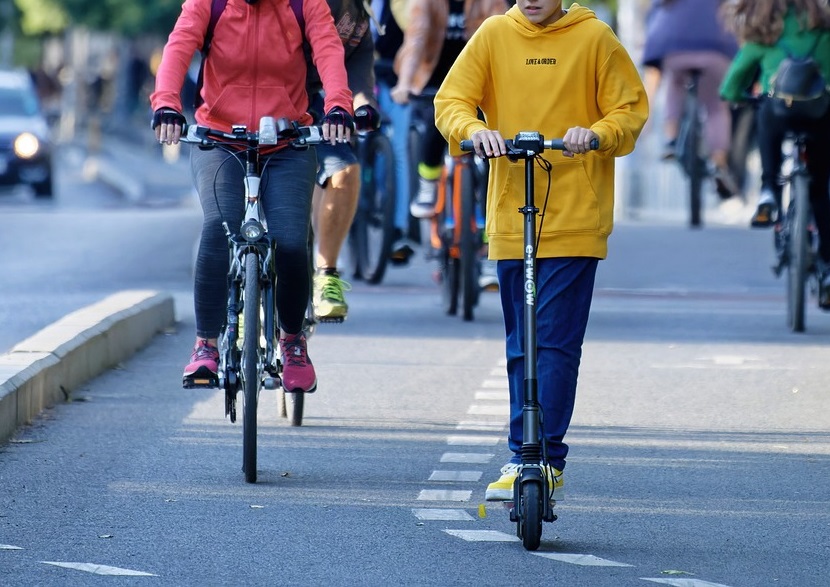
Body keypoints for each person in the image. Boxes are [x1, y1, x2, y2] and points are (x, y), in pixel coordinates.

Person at [434, 0, 648, 501]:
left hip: (576, 215)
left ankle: (540, 458)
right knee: (521, 340)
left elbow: (630, 109)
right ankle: (525, 454)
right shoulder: (493, 35)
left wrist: (595, 134)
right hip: (513, 212)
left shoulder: (595, 38)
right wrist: (474, 131)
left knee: (553, 340)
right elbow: (452, 102)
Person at [150, 0, 354, 392]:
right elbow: (178, 48)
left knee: (291, 240)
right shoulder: (208, 4)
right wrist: (167, 104)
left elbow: (329, 50)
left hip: (287, 141)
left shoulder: (304, 3)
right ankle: (205, 345)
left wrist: (338, 107)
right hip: (220, 140)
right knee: (217, 227)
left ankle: (293, 341)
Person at [719, 0, 830, 308]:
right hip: (821, 115)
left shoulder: (764, 35)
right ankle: (828, 269)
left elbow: (730, 87)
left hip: (779, 114)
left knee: (765, 109)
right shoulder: (825, 32)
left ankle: (768, 190)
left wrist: (741, 97)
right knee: (821, 190)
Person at [390, 0, 509, 219]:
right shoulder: (427, 2)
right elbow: (416, 40)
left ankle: (491, 209)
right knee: (436, 121)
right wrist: (405, 83)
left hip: (476, 83)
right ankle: (428, 183)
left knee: (492, 136)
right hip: (433, 80)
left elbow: (503, 36)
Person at [307, 0, 381, 322]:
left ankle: (326, 274)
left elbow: (360, 66)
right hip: (282, 98)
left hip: (328, 105)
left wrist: (364, 104)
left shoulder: (362, 14)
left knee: (344, 171)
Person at [641, 0, 740, 199]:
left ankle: (671, 138)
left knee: (674, 85)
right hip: (716, 47)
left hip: (676, 46)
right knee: (715, 106)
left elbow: (655, 11)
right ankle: (719, 162)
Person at [371, 0, 417, 262]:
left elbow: (417, 33)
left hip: (397, 77)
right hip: (360, 75)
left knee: (398, 148)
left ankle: (399, 227)